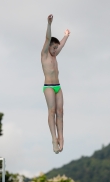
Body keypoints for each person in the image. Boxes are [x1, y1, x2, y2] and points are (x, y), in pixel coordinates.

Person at [41, 14, 70, 154]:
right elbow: (47, 39)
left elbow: (62, 44)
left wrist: (66, 36)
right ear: (49, 47)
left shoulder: (54, 54)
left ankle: (61, 137)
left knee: (60, 112)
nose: (55, 51)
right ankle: (53, 139)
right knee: (52, 111)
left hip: (58, 86)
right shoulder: (45, 54)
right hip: (48, 87)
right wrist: (49, 23)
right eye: (54, 48)